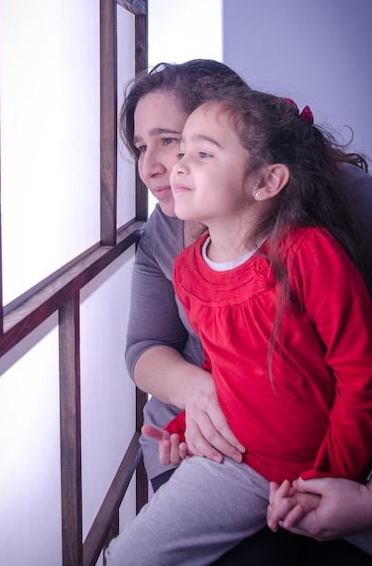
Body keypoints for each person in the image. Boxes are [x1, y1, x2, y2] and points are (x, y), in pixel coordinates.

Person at [107, 86, 372, 565]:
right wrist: (189, 427)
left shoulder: (309, 253)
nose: (171, 166)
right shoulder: (187, 268)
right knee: (130, 556)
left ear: (266, 181)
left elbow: (361, 372)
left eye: (196, 151)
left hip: (329, 465)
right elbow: (223, 366)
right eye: (174, 148)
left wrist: (331, 477)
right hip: (235, 465)